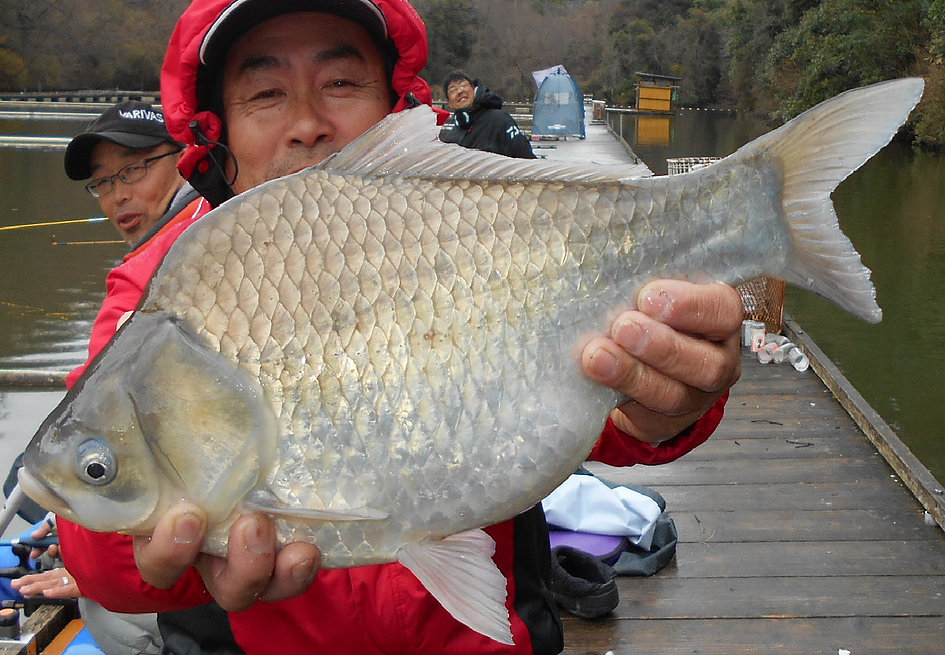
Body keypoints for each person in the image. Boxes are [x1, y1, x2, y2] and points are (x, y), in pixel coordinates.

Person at [53, 1, 744, 653]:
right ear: (216, 128)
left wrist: (662, 411)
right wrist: (166, 550)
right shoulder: (160, 290)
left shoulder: (467, 229)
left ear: (394, 104)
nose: (306, 122)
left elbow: (590, 412)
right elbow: (95, 527)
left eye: (341, 81)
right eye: (264, 94)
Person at [63, 100, 197, 250]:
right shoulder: (153, 258)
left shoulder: (209, 240)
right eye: (102, 181)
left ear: (184, 161)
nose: (119, 197)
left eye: (134, 169)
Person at [440, 70, 536, 158]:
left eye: (463, 85)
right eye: (453, 90)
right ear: (449, 103)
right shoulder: (451, 139)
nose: (460, 91)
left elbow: (527, 158)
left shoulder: (500, 120)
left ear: (473, 88)